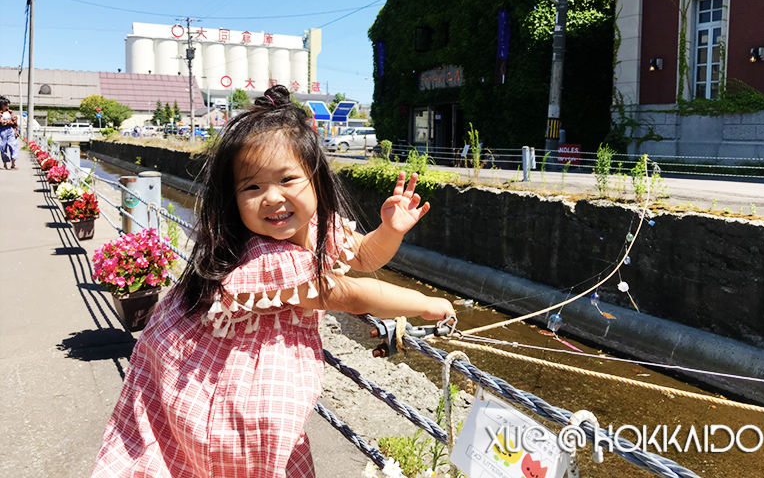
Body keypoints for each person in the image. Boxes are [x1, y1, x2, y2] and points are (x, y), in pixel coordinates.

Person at [92, 85, 454, 478]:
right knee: (228, 456)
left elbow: (365, 255)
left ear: (315, 178)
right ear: (233, 198)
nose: (272, 197)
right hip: (211, 377)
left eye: (287, 179)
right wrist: (427, 304)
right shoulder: (258, 257)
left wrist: (390, 230)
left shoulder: (319, 227)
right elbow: (345, 295)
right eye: (252, 187)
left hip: (239, 372)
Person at [0, 96, 20, 170]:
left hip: (11, 131)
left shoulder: (11, 112)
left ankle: (13, 164)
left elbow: (15, 121)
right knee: (2, 147)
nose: (8, 105)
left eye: (8, 103)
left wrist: (16, 131)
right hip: (1, 131)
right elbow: (1, 122)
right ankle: (5, 164)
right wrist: (9, 122)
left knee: (13, 145)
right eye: (6, 104)